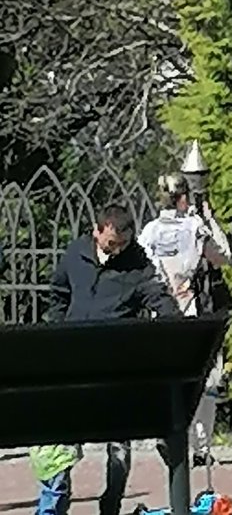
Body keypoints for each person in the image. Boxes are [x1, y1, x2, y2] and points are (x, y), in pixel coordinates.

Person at [39, 203, 180, 515]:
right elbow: (58, 293)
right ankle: (56, 504)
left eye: (123, 244)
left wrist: (176, 324)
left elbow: (156, 295)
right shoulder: (76, 253)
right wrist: (59, 329)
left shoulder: (137, 262)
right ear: (97, 231)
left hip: (115, 361)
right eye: (111, 244)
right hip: (73, 360)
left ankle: (111, 503)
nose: (116, 251)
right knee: (61, 443)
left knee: (119, 444)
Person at [139, 172, 231, 468]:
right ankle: (200, 447)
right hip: (191, 312)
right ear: (183, 198)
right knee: (203, 382)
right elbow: (223, 256)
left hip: (160, 314)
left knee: (168, 380)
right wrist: (209, 219)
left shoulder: (150, 231)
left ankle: (168, 433)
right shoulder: (194, 227)